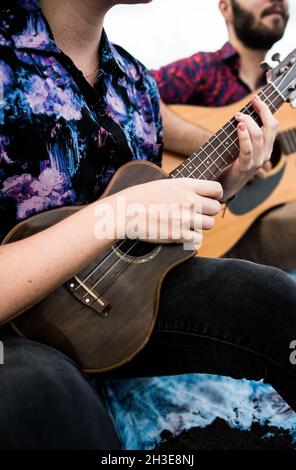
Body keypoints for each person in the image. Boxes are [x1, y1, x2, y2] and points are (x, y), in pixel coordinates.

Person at [0, 0, 295, 450]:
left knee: (277, 301)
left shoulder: (135, 83)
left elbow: (148, 238)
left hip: (123, 308)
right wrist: (120, 212)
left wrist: (229, 183)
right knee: (44, 400)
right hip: (14, 329)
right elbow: (129, 212)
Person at [153, 0, 296, 270]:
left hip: (260, 221)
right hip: (197, 230)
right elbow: (132, 105)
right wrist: (224, 145)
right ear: (226, 8)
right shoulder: (201, 70)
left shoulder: (289, 101)